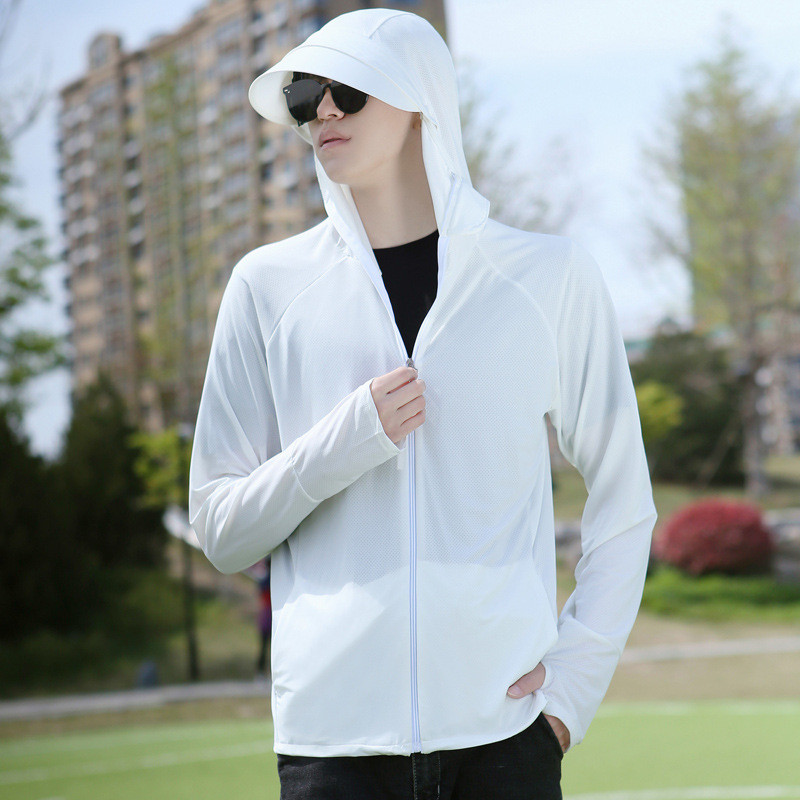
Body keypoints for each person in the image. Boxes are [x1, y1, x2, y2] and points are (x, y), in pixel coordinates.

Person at [188, 8, 657, 799]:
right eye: (304, 96)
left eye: (348, 91)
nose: (322, 111)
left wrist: (571, 691)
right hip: (332, 751)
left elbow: (624, 500)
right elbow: (220, 530)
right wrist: (345, 441)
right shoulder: (266, 287)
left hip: (503, 743)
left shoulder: (548, 277)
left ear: (419, 102)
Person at [255, 556, 272, 679]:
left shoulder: (264, 580)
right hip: (270, 615)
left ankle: (260, 672)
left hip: (265, 616)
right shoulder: (272, 580)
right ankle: (264, 672)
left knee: (263, 647)